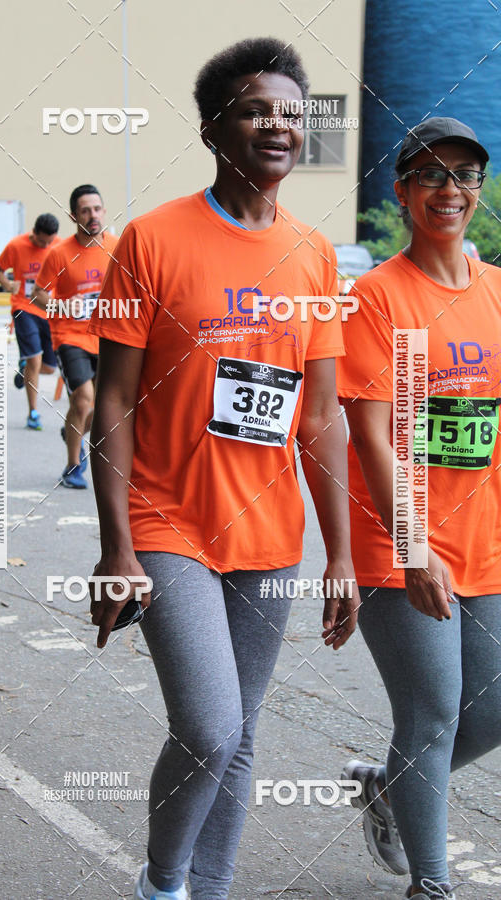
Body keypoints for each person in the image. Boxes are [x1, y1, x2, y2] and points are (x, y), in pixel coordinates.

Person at [87, 37, 360, 900]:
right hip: (169, 525)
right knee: (208, 726)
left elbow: (319, 418)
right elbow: (115, 406)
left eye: (289, 112)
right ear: (214, 128)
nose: (277, 125)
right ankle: (162, 882)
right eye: (254, 109)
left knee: (240, 736)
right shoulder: (151, 239)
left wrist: (342, 557)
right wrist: (116, 548)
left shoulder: (315, 256)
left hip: (270, 536)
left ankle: (210, 888)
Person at [337, 117, 501, 899]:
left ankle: (388, 785)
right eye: (432, 175)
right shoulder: (376, 296)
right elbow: (372, 438)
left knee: (493, 712)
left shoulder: (500, 290)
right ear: (402, 192)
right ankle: (431, 886)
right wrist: (413, 546)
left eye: (465, 176)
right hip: (397, 545)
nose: (451, 190)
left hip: (487, 541)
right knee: (434, 713)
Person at [31, 185, 118, 488]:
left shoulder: (118, 248)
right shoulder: (60, 254)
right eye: (85, 210)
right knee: (83, 401)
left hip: (108, 338)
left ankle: (73, 431)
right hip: (70, 337)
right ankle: (72, 467)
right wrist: (63, 305)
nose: (92, 215)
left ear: (104, 211)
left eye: (96, 209)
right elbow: (38, 295)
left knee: (104, 407)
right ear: (74, 215)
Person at [0, 213, 59, 430]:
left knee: (49, 368)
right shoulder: (16, 245)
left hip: (49, 310)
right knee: (34, 359)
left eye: (50, 241)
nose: (46, 246)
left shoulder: (59, 246)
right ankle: (33, 413)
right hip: (23, 307)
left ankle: (25, 371)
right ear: (34, 232)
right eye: (42, 241)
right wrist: (7, 284)